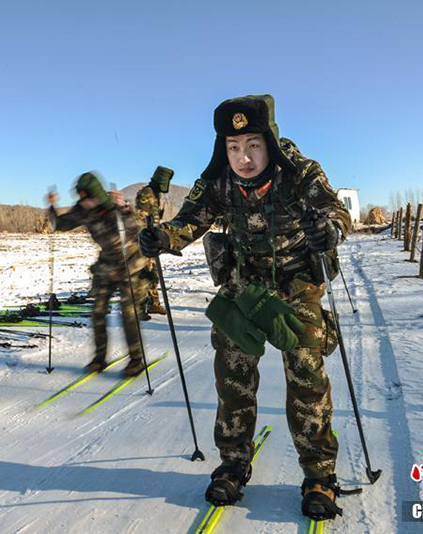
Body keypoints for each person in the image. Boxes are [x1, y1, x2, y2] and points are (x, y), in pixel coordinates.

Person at [139, 95, 352, 520]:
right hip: (245, 281)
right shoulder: (218, 179)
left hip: (297, 281)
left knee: (305, 368)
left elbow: (337, 213)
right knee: (232, 373)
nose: (244, 157)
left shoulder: (299, 170)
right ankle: (233, 462)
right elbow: (192, 219)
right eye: (234, 147)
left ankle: (319, 475)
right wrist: (165, 238)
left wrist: (327, 229)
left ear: (269, 140)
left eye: (253, 144)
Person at [47, 172, 151, 377]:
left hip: (130, 263)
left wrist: (124, 208)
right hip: (107, 263)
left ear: (96, 194)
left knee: (128, 313)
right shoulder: (83, 210)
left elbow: (139, 226)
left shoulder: (115, 206)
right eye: (81, 198)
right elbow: (60, 224)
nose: (84, 202)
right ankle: (99, 358)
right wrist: (52, 206)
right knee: (97, 311)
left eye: (88, 198)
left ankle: (136, 360)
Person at [135, 166, 174, 317]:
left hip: (153, 239)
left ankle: (153, 304)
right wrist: (145, 236)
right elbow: (140, 218)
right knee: (144, 274)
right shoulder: (146, 193)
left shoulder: (155, 194)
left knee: (153, 274)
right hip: (144, 240)